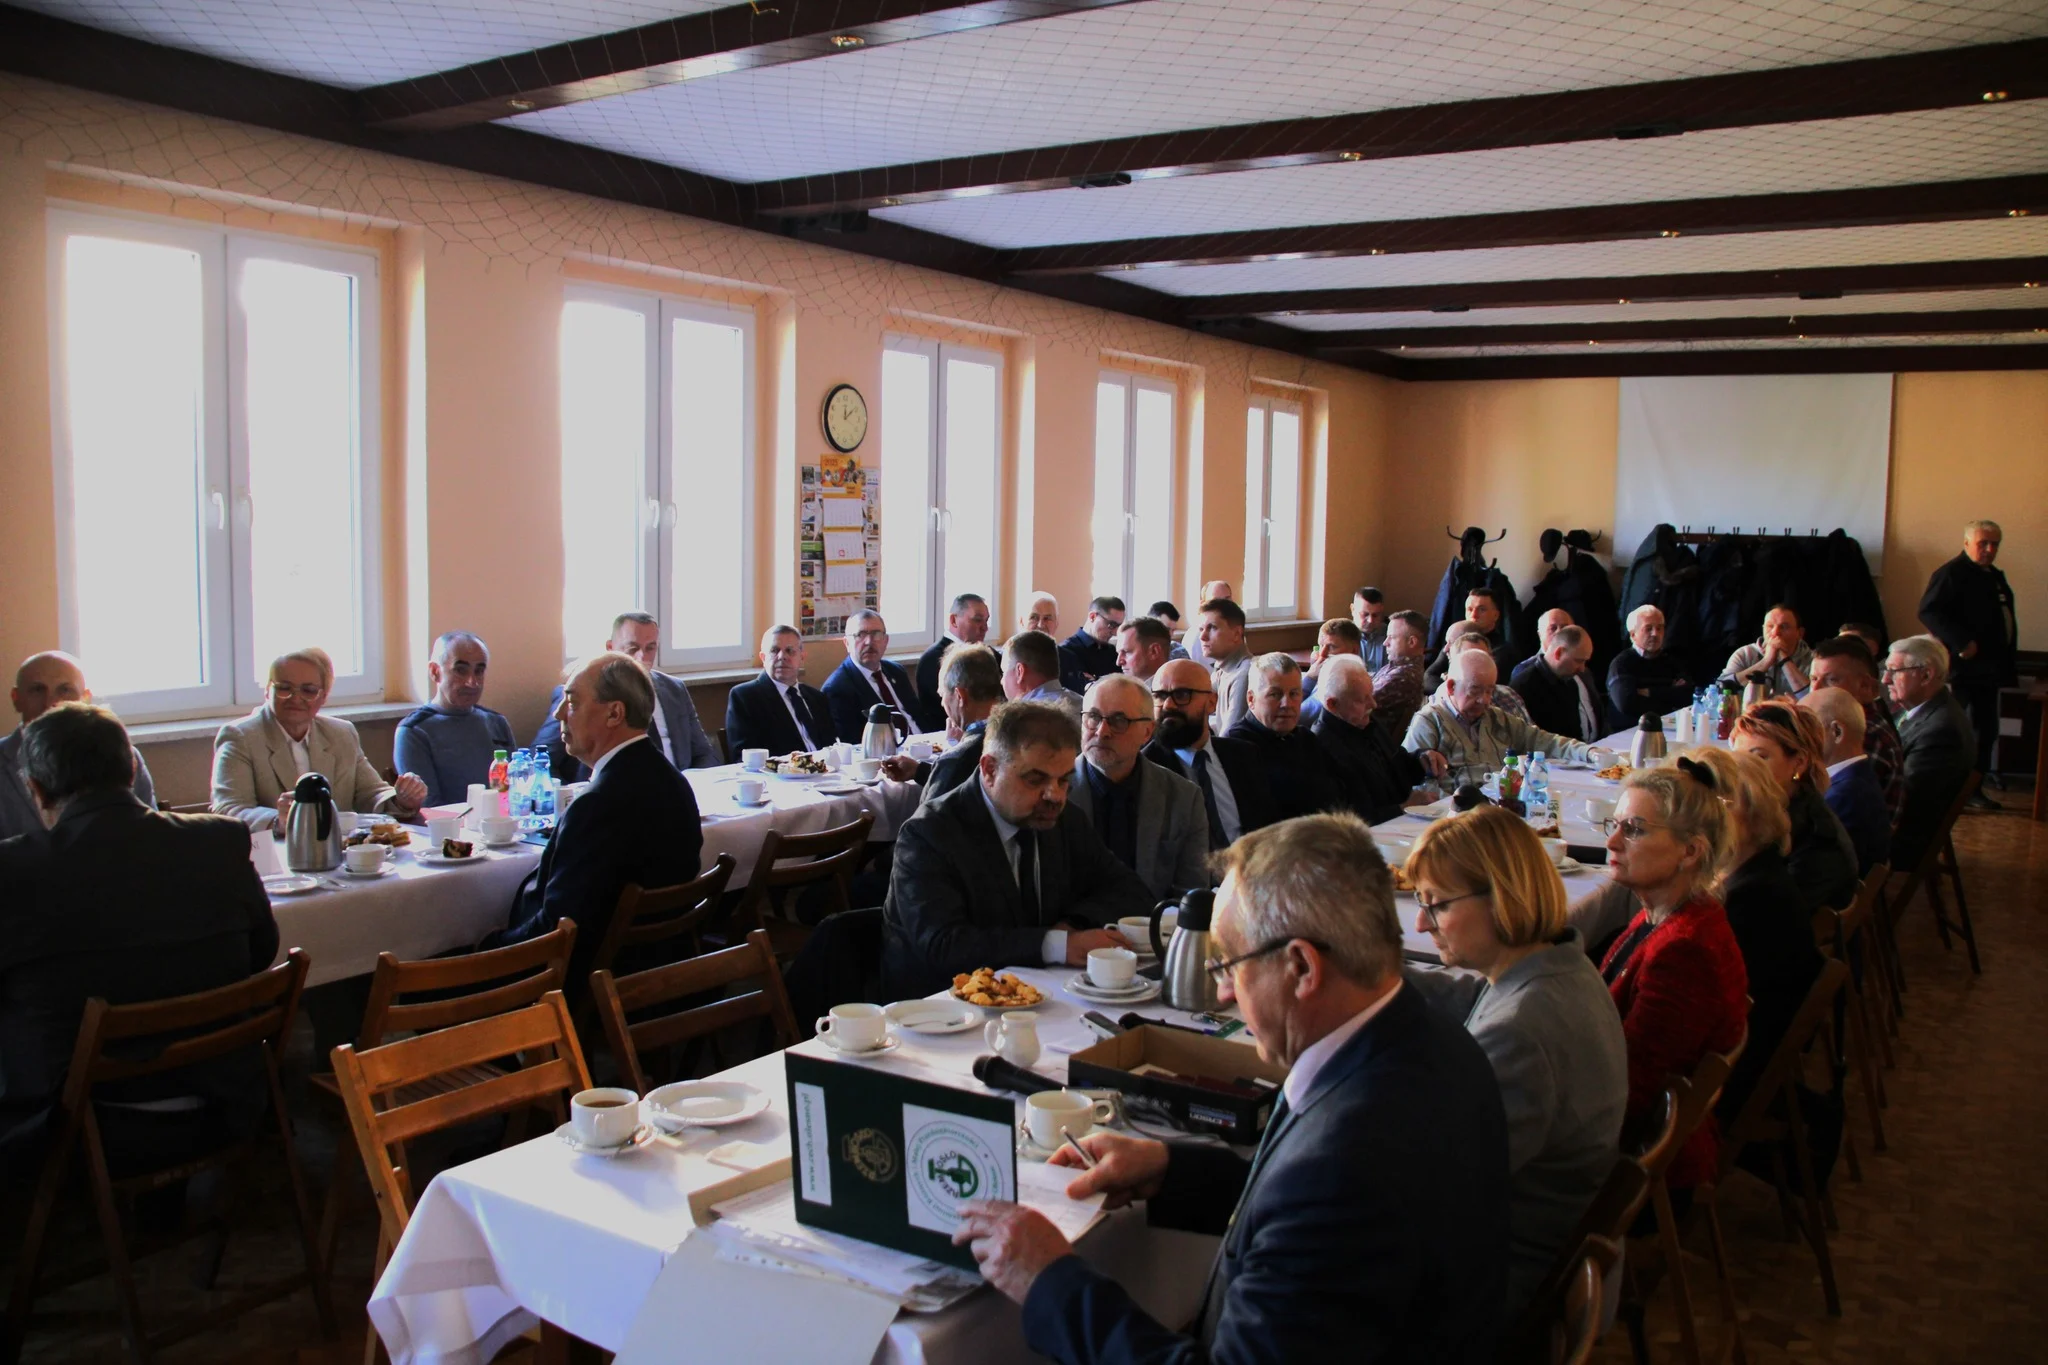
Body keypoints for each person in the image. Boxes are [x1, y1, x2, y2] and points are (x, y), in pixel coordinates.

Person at [958, 814, 1511, 1364]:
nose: (1223, 994)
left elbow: (1323, 1199)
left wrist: (1050, 1281)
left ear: (1302, 967)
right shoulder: (1432, 1039)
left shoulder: (1346, 1164)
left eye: (1228, 964)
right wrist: (1170, 1169)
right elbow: (1303, 1210)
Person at [1, 703, 279, 1148]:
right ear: (132, 770)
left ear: (37, 789)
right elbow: (261, 953)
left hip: (82, 1116)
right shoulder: (219, 838)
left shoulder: (15, 868)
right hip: (224, 1093)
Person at [1403, 806, 1627, 1317]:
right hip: (1544, 1240)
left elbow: (1436, 1188)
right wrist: (1365, 971)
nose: (1420, 922)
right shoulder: (1558, 965)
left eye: (1436, 904)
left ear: (1501, 898)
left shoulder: (1520, 1034)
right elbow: (1470, 998)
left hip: (1514, 1280)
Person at [880, 702, 1149, 998]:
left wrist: (1073, 925)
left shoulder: (1065, 819)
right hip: (941, 1007)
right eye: (1035, 779)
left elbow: (1130, 890)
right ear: (990, 769)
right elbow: (945, 946)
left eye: (1064, 780)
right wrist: (1057, 945)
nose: (1055, 796)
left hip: (1043, 996)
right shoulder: (929, 834)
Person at [491, 655, 703, 988]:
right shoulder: (673, 781)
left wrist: (489, 948)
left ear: (614, 713)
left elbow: (558, 930)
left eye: (572, 703)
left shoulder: (598, 804)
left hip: (593, 984)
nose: (559, 714)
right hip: (659, 972)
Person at [1596, 763, 1749, 1200]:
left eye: (1634, 830)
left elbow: (1631, 1090)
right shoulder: (1666, 915)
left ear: (1690, 851)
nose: (1612, 842)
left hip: (1640, 1174)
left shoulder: (1684, 952)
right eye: (1615, 824)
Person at [1682, 748, 1825, 1123]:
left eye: (1714, 808)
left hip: (1728, 1083)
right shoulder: (1759, 873)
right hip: (1744, 1055)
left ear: (1748, 817)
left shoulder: (1753, 901)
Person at [212, 648, 426, 831]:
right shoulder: (240, 736)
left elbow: (371, 794)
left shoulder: (341, 733)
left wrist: (402, 800)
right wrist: (278, 819)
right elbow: (228, 809)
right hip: (273, 856)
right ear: (268, 691)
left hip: (339, 851)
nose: (296, 698)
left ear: (323, 696)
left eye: (308, 690)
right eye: (284, 688)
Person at [1066, 676, 1209, 900]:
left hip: (1155, 919)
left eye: (1119, 720)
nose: (1102, 732)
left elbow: (1190, 895)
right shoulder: (1053, 791)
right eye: (1093, 717)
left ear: (1147, 732)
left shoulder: (1183, 797)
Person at [540, 613, 722, 781]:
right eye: (633, 648)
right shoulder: (577, 694)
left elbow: (704, 753)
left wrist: (689, 785)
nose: (642, 657)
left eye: (650, 648)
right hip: (609, 791)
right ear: (610, 648)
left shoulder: (674, 689)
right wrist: (568, 797)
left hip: (675, 791)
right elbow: (540, 759)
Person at [2, 651, 155, 841]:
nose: (51, 703)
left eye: (65, 690)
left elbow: (148, 831)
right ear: (16, 698)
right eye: (37, 690)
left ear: (85, 698)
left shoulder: (122, 755)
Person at [1918, 519, 2017, 802]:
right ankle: (1948, 789)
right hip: (1963, 671)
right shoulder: (1951, 573)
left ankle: (1973, 789)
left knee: (1987, 731)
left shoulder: (1994, 576)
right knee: (1957, 730)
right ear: (1966, 543)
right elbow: (1928, 611)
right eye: (1983, 543)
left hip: (1991, 669)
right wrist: (1961, 642)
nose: (1989, 550)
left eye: (1994, 544)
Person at [1731, 700, 1857, 913]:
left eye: (1759, 757)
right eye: (1739, 758)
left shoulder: (1816, 840)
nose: (1743, 770)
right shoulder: (1778, 809)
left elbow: (1767, 913)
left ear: (1799, 763)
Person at [1405, 651, 1599, 787]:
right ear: (1451, 687)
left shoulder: (1497, 717)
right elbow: (1415, 784)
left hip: (1500, 805)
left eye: (1490, 691)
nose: (1484, 700)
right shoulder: (1429, 721)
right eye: (1475, 690)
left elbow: (1546, 742)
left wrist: (1589, 752)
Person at [1141, 658, 1278, 848]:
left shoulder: (1244, 754)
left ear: (1212, 702)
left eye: (1182, 694)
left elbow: (1268, 827)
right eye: (1160, 696)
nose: (1168, 705)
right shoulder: (1145, 770)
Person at [1884, 634, 1977, 873]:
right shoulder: (1922, 710)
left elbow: (1907, 800)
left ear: (1926, 675)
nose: (1885, 679)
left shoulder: (1941, 731)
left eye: (1894, 671)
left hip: (1901, 842)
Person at [394, 631, 518, 806]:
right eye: (461, 670)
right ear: (435, 672)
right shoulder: (414, 731)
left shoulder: (496, 722)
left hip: (503, 818)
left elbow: (515, 790)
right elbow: (429, 806)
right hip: (450, 822)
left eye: (479, 671)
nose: (472, 682)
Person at [1312, 656, 1437, 824]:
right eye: (1361, 700)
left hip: (1405, 824)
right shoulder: (1321, 747)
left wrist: (1422, 759)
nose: (1373, 704)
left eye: (1370, 695)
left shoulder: (1366, 722)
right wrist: (1403, 808)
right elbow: (1345, 819)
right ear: (1332, 704)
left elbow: (1399, 766)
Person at [1227, 654, 1339, 822]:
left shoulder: (1307, 739)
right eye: (1275, 694)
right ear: (1251, 699)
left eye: (1294, 694)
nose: (1287, 704)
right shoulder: (1235, 747)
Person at [1809, 636, 1906, 829]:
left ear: (1865, 686)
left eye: (1831, 679)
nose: (1816, 688)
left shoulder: (1866, 734)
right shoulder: (1840, 724)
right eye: (1813, 679)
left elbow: (1833, 805)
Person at [1801, 687, 1890, 877]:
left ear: (1837, 732)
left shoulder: (1845, 795)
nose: (1798, 739)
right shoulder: (1856, 777)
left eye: (1805, 728)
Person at [724, 626, 837, 757]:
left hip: (825, 768)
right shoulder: (745, 697)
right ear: (763, 657)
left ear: (802, 657)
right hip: (780, 769)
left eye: (790, 651)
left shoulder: (817, 698)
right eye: (774, 650)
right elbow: (744, 756)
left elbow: (832, 745)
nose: (782, 656)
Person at [916, 643, 1007, 804]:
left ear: (960, 696)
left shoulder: (956, 761)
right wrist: (919, 771)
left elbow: (928, 818)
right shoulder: (1023, 733)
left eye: (943, 695)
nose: (943, 704)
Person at [823, 610, 919, 743]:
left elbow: (918, 716)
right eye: (860, 635)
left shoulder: (896, 671)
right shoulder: (837, 688)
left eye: (876, 634)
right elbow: (853, 743)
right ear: (847, 643)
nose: (869, 642)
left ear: (886, 641)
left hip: (925, 744)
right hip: (885, 751)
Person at [1606, 604, 1695, 730]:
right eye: (1648, 629)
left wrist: (1649, 692)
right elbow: (1627, 704)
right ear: (1633, 634)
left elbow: (1688, 696)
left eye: (1659, 628)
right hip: (1630, 731)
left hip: (1669, 729)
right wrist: (1670, 694)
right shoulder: (1622, 664)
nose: (1655, 634)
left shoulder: (1672, 661)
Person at [1510, 624, 1603, 743]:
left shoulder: (1571, 682)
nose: (1582, 669)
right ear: (1558, 653)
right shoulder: (1523, 685)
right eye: (1578, 661)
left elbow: (1574, 733)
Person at [915, 593, 989, 732]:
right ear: (953, 620)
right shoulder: (934, 659)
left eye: (986, 620)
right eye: (978, 620)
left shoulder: (989, 654)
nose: (985, 628)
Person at [1723, 605, 1814, 700]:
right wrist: (1766, 661)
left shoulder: (1813, 659)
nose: (1775, 633)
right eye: (1770, 626)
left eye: (1784, 627)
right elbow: (1721, 688)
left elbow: (1814, 699)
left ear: (1800, 633)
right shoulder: (1744, 654)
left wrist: (1784, 659)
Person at [1372, 609, 1430, 740]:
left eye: (1391, 637)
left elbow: (1357, 706)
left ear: (1412, 642)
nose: (1385, 643)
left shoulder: (1402, 677)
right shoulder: (1398, 667)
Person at [1200, 597, 1253, 735]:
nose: (1202, 636)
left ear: (1237, 634)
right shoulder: (1221, 669)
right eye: (1201, 629)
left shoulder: (1244, 674)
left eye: (1212, 627)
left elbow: (1230, 738)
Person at [1001, 629, 1084, 718]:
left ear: (1020, 672)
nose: (1001, 681)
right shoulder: (1084, 704)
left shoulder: (1022, 719)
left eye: (1004, 671)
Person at [1299, 618, 1362, 728]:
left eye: (1332, 647)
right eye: (1321, 645)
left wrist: (1310, 677)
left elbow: (1296, 717)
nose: (1322, 653)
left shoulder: (1341, 685)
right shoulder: (1326, 674)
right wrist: (1311, 676)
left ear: (1354, 651)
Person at [1058, 596, 1125, 694]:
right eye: (1111, 625)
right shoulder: (1065, 652)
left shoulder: (1114, 652)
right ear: (1092, 617)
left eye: (1118, 626)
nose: (1115, 633)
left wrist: (1095, 680)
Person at [1180, 579, 1232, 666]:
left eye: (1227, 600)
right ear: (1203, 604)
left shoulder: (1234, 630)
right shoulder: (1195, 638)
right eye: (1216, 601)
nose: (1224, 606)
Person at [1113, 615, 1174, 686]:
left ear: (1154, 651)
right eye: (1119, 653)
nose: (1118, 662)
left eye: (1126, 652)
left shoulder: (1176, 689)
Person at [1351, 586, 1390, 670]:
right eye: (1364, 614)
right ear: (1352, 609)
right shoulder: (1341, 637)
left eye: (1375, 615)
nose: (1370, 620)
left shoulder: (1391, 636)